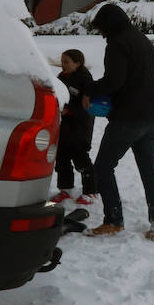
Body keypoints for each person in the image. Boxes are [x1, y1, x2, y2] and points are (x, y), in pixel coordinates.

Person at [83, 4, 154, 242]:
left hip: (128, 119)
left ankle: (113, 220)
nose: (101, 34)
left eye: (102, 29)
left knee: (102, 167)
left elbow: (114, 82)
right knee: (149, 170)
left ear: (109, 25)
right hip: (151, 117)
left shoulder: (118, 44)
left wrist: (89, 89)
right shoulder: (143, 41)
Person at [51, 48, 97, 205]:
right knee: (62, 157)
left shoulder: (85, 79)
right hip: (64, 126)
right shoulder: (61, 78)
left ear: (78, 63)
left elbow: (88, 105)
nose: (63, 65)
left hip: (80, 126)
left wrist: (70, 111)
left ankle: (91, 191)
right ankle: (66, 189)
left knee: (81, 158)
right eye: (62, 61)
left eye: (67, 62)